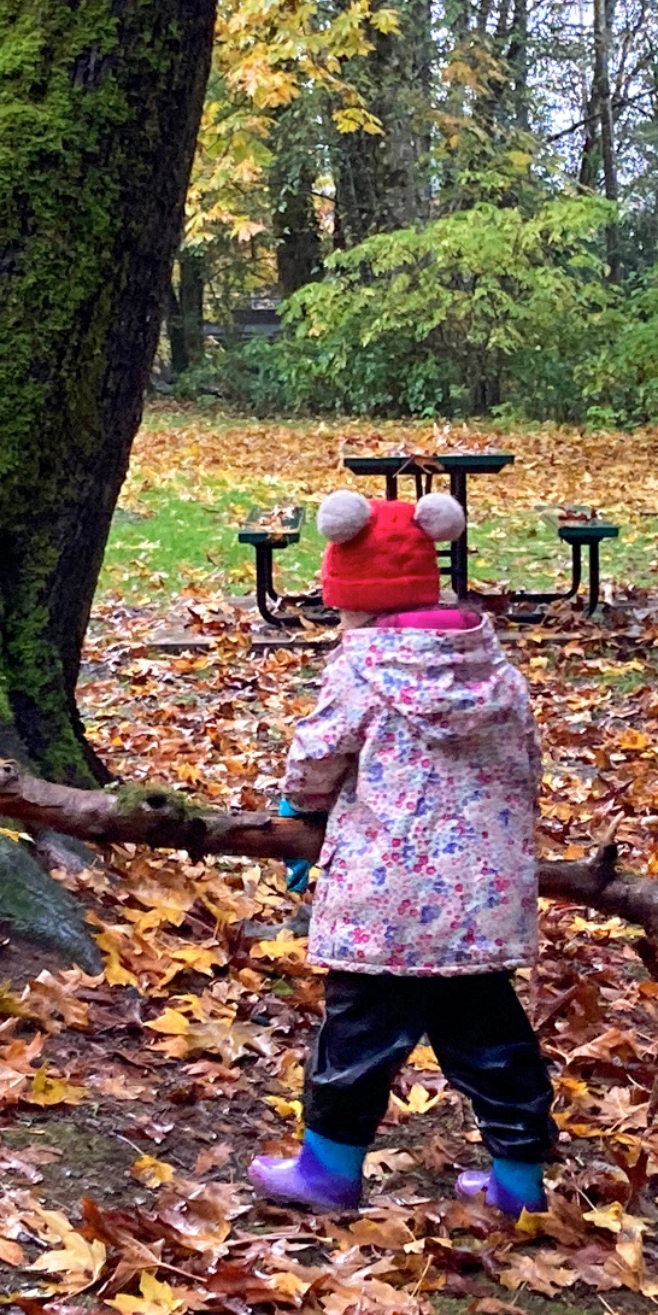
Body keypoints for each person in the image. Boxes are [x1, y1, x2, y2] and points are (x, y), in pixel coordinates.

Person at [248, 489, 555, 1218]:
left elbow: (320, 749)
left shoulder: (362, 667)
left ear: (357, 599)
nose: (339, 620)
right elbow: (526, 763)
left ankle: (327, 1172)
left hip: (383, 901)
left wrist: (301, 811)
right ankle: (519, 1187)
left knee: (356, 1039)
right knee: (492, 1042)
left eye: (342, 605)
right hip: (480, 897)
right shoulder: (494, 667)